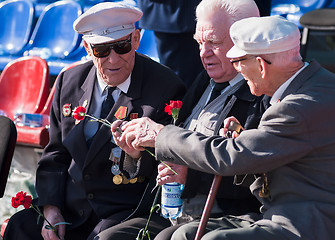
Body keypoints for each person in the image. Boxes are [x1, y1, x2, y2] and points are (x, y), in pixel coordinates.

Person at [111, 15, 335, 240]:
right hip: (285, 213)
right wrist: (246, 137)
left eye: (239, 62)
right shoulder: (315, 85)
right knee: (183, 235)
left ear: (260, 66)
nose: (238, 71)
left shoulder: (298, 105)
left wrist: (160, 134)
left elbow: (232, 157)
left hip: (308, 223)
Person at [3, 2, 185, 240]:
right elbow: (55, 154)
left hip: (125, 210)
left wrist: (137, 157)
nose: (113, 59)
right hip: (71, 207)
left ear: (136, 40)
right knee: (21, 226)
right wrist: (51, 208)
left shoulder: (165, 88)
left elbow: (168, 168)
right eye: (101, 50)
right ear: (87, 48)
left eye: (121, 46)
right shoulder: (70, 81)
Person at [96, 1, 267, 239]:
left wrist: (191, 176)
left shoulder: (262, 95)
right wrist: (137, 152)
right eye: (199, 42)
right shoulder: (203, 82)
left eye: (214, 43)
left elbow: (255, 178)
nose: (204, 53)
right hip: (172, 210)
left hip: (224, 215)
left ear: (243, 41)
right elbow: (172, 151)